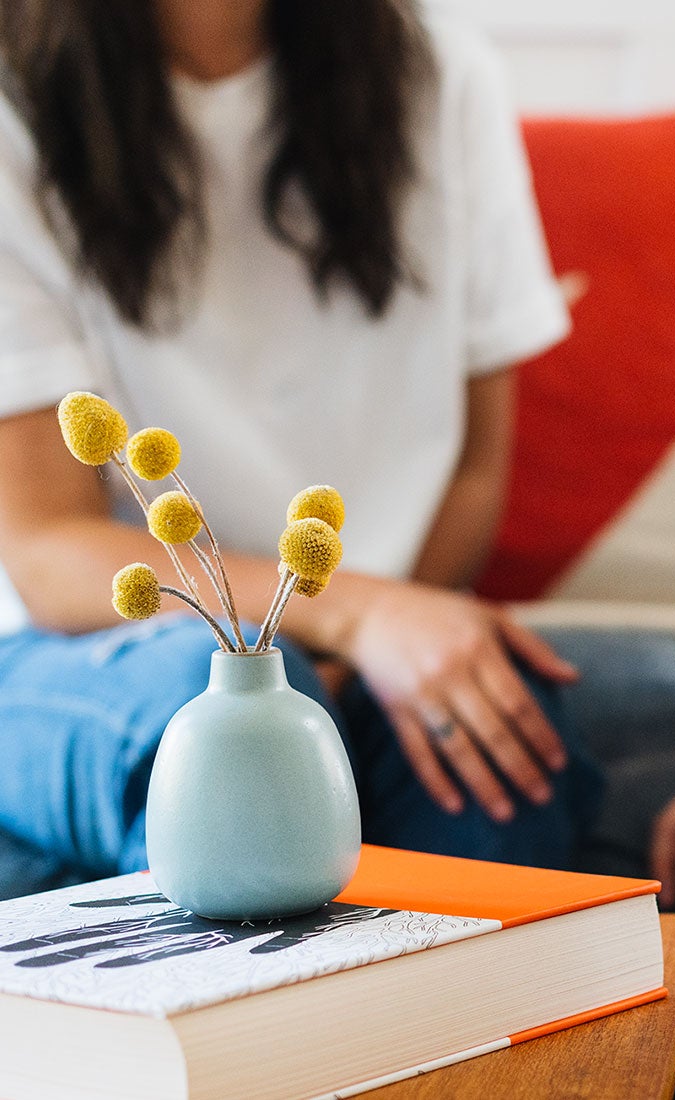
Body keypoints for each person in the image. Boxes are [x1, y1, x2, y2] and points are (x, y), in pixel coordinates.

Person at [0, 1, 606, 895]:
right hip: (81, 649)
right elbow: (48, 549)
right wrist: (346, 622)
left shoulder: (442, 78)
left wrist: (389, 633)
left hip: (372, 634)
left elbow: (474, 464)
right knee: (228, 720)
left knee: (501, 741)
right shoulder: (16, 101)